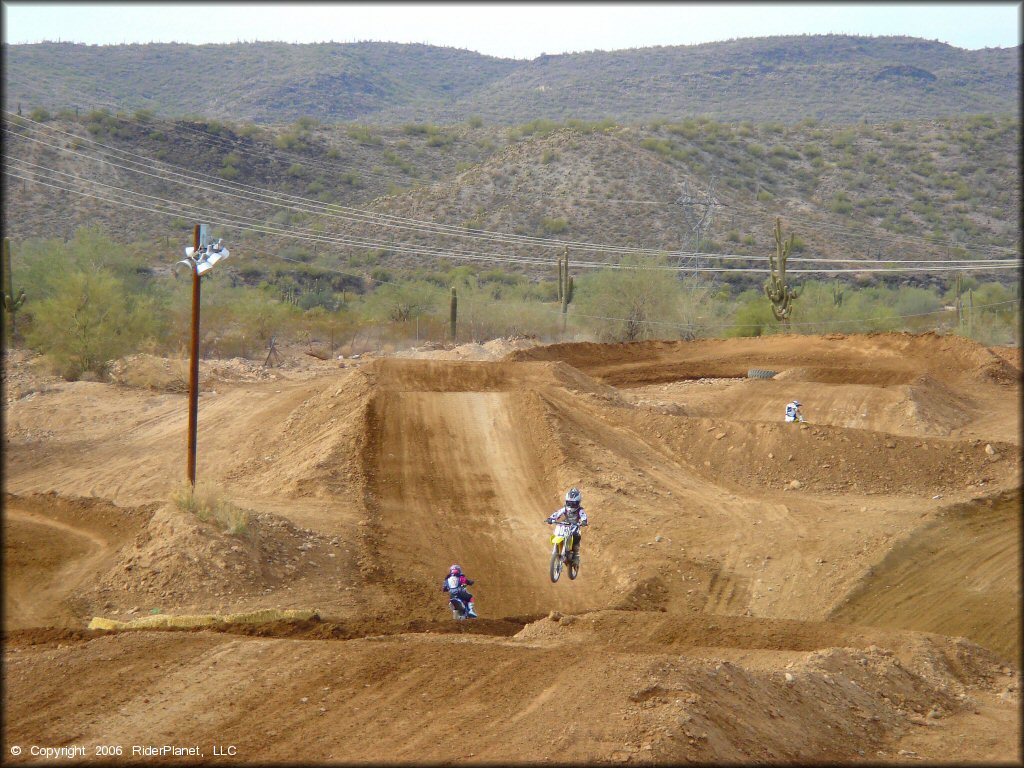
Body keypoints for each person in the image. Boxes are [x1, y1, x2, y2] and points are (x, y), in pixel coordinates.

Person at [546, 487, 589, 565]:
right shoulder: (565, 509)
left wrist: (584, 521)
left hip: (575, 527)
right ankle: (558, 551)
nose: (571, 505)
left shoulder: (580, 510)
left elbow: (583, 516)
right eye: (569, 503)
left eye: (573, 503)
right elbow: (557, 513)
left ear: (578, 503)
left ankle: (576, 556)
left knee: (576, 537)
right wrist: (551, 518)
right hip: (565, 525)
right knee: (558, 532)